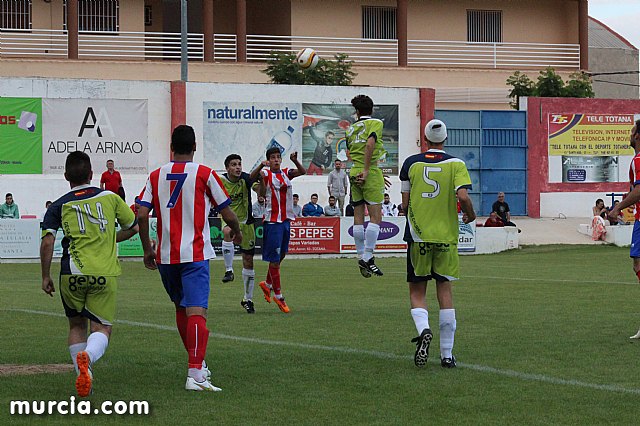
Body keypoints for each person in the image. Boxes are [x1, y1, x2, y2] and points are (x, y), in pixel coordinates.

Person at [137, 125, 242, 392]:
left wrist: (147, 250)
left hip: (165, 255)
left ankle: (198, 363)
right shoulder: (204, 174)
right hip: (194, 253)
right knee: (197, 311)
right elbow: (228, 214)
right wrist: (238, 232)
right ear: (194, 146)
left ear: (171, 147)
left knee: (181, 309)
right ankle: (195, 374)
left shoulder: (155, 175)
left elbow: (141, 214)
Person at [40, 151, 139, 397]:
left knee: (76, 325)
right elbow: (134, 227)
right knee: (102, 328)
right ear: (92, 174)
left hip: (70, 274)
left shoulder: (59, 204)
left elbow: (47, 242)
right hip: (103, 274)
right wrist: (107, 239)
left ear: (66, 176)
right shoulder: (110, 197)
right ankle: (89, 357)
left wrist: (45, 276)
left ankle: (85, 376)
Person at [400, 119, 476, 369]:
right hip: (446, 237)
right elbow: (463, 196)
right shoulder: (457, 163)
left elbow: (404, 204)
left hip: (418, 236)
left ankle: (424, 330)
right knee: (445, 292)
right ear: (446, 138)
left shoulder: (410, 163)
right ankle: (446, 355)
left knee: (417, 291)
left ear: (425, 138)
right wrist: (471, 215)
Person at [255, 148, 306, 313]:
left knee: (282, 254)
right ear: (268, 160)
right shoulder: (265, 174)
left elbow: (303, 171)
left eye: (278, 157)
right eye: (273, 158)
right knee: (275, 260)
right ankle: (278, 295)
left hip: (285, 220)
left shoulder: (286, 173)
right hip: (272, 222)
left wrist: (295, 160)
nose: (276, 160)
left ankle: (268, 284)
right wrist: (261, 183)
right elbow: (261, 192)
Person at [346, 94, 385, 277]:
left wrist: (362, 168)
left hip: (353, 170)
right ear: (372, 110)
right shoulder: (375, 123)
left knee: (358, 216)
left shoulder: (350, 129)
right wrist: (369, 170)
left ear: (357, 111)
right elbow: (370, 145)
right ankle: (368, 256)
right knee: (376, 218)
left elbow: (351, 152)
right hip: (369, 171)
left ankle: (360, 255)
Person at [219, 154, 262, 315]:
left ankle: (248, 299)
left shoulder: (246, 178)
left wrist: (261, 186)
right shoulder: (221, 181)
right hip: (230, 219)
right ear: (227, 168)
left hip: (247, 223)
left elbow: (257, 187)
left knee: (249, 261)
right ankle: (229, 270)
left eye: (239, 164)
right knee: (227, 231)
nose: (237, 167)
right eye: (233, 164)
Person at [609, 119, 640, 339]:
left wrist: (617, 208)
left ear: (638, 136)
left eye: (632, 132)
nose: (629, 135)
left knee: (638, 263)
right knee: (637, 263)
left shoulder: (638, 160)